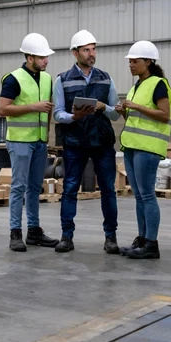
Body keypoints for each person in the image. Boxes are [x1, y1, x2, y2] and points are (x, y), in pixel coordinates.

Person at [52, 30, 121, 254]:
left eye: (93, 49)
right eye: (86, 50)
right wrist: (74, 117)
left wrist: (104, 107)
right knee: (70, 188)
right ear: (75, 53)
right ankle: (66, 236)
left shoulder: (106, 78)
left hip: (102, 143)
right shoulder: (62, 80)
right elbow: (58, 114)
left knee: (108, 190)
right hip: (74, 142)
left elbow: (115, 115)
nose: (92, 54)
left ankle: (111, 237)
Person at [0, 33, 59, 252]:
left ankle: (34, 231)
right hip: (20, 141)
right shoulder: (13, 79)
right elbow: (3, 109)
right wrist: (33, 107)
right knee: (18, 186)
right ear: (30, 57)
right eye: (42, 57)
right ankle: (15, 232)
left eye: (47, 57)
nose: (46, 60)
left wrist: (46, 137)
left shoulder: (47, 78)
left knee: (35, 187)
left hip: (40, 142)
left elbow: (49, 109)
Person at [115, 41, 171, 259]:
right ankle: (142, 239)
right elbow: (135, 119)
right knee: (139, 196)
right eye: (130, 61)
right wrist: (124, 111)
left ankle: (151, 243)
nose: (131, 65)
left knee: (147, 195)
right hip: (132, 146)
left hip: (148, 148)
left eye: (135, 61)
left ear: (148, 62)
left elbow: (164, 114)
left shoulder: (159, 84)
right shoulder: (136, 86)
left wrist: (136, 106)